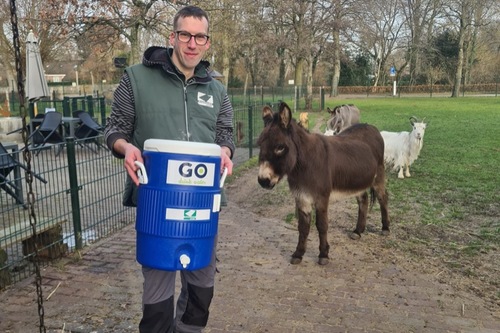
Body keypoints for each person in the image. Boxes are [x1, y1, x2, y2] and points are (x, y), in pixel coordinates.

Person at [104, 5, 235, 333]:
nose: (192, 43)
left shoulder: (217, 91)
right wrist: (126, 147)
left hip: (202, 205)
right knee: (158, 296)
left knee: (202, 289)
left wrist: (225, 151)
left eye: (200, 37)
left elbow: (226, 135)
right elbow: (114, 129)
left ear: (207, 42)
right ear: (172, 37)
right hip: (158, 204)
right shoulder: (137, 78)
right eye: (185, 35)